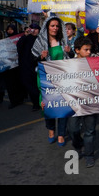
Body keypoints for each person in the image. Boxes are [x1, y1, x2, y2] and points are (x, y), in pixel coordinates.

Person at [31, 15, 73, 146]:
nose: (55, 28)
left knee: (63, 105)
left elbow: (71, 59)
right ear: (47, 27)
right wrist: (41, 57)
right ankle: (51, 130)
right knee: (48, 105)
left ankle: (61, 134)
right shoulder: (40, 42)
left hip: (62, 79)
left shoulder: (64, 41)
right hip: (46, 80)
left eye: (57, 26)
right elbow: (33, 59)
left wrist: (69, 52)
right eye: (52, 25)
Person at [67, 36, 97, 167]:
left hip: (91, 102)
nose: (89, 53)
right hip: (74, 104)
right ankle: (78, 146)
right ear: (77, 50)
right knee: (73, 129)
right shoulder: (67, 65)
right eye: (86, 50)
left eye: (90, 50)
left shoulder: (95, 63)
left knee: (90, 130)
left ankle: (89, 155)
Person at [16, 23, 41, 111]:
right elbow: (19, 47)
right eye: (32, 28)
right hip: (26, 66)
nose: (34, 30)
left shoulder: (40, 39)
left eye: (36, 29)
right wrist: (25, 35)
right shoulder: (26, 38)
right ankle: (35, 103)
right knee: (29, 85)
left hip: (38, 65)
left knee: (38, 85)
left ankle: (40, 102)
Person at [3, 24, 27, 108]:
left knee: (18, 83)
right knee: (10, 85)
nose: (9, 31)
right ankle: (13, 100)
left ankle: (20, 98)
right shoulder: (4, 41)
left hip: (17, 66)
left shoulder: (18, 39)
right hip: (8, 66)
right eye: (8, 29)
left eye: (11, 29)